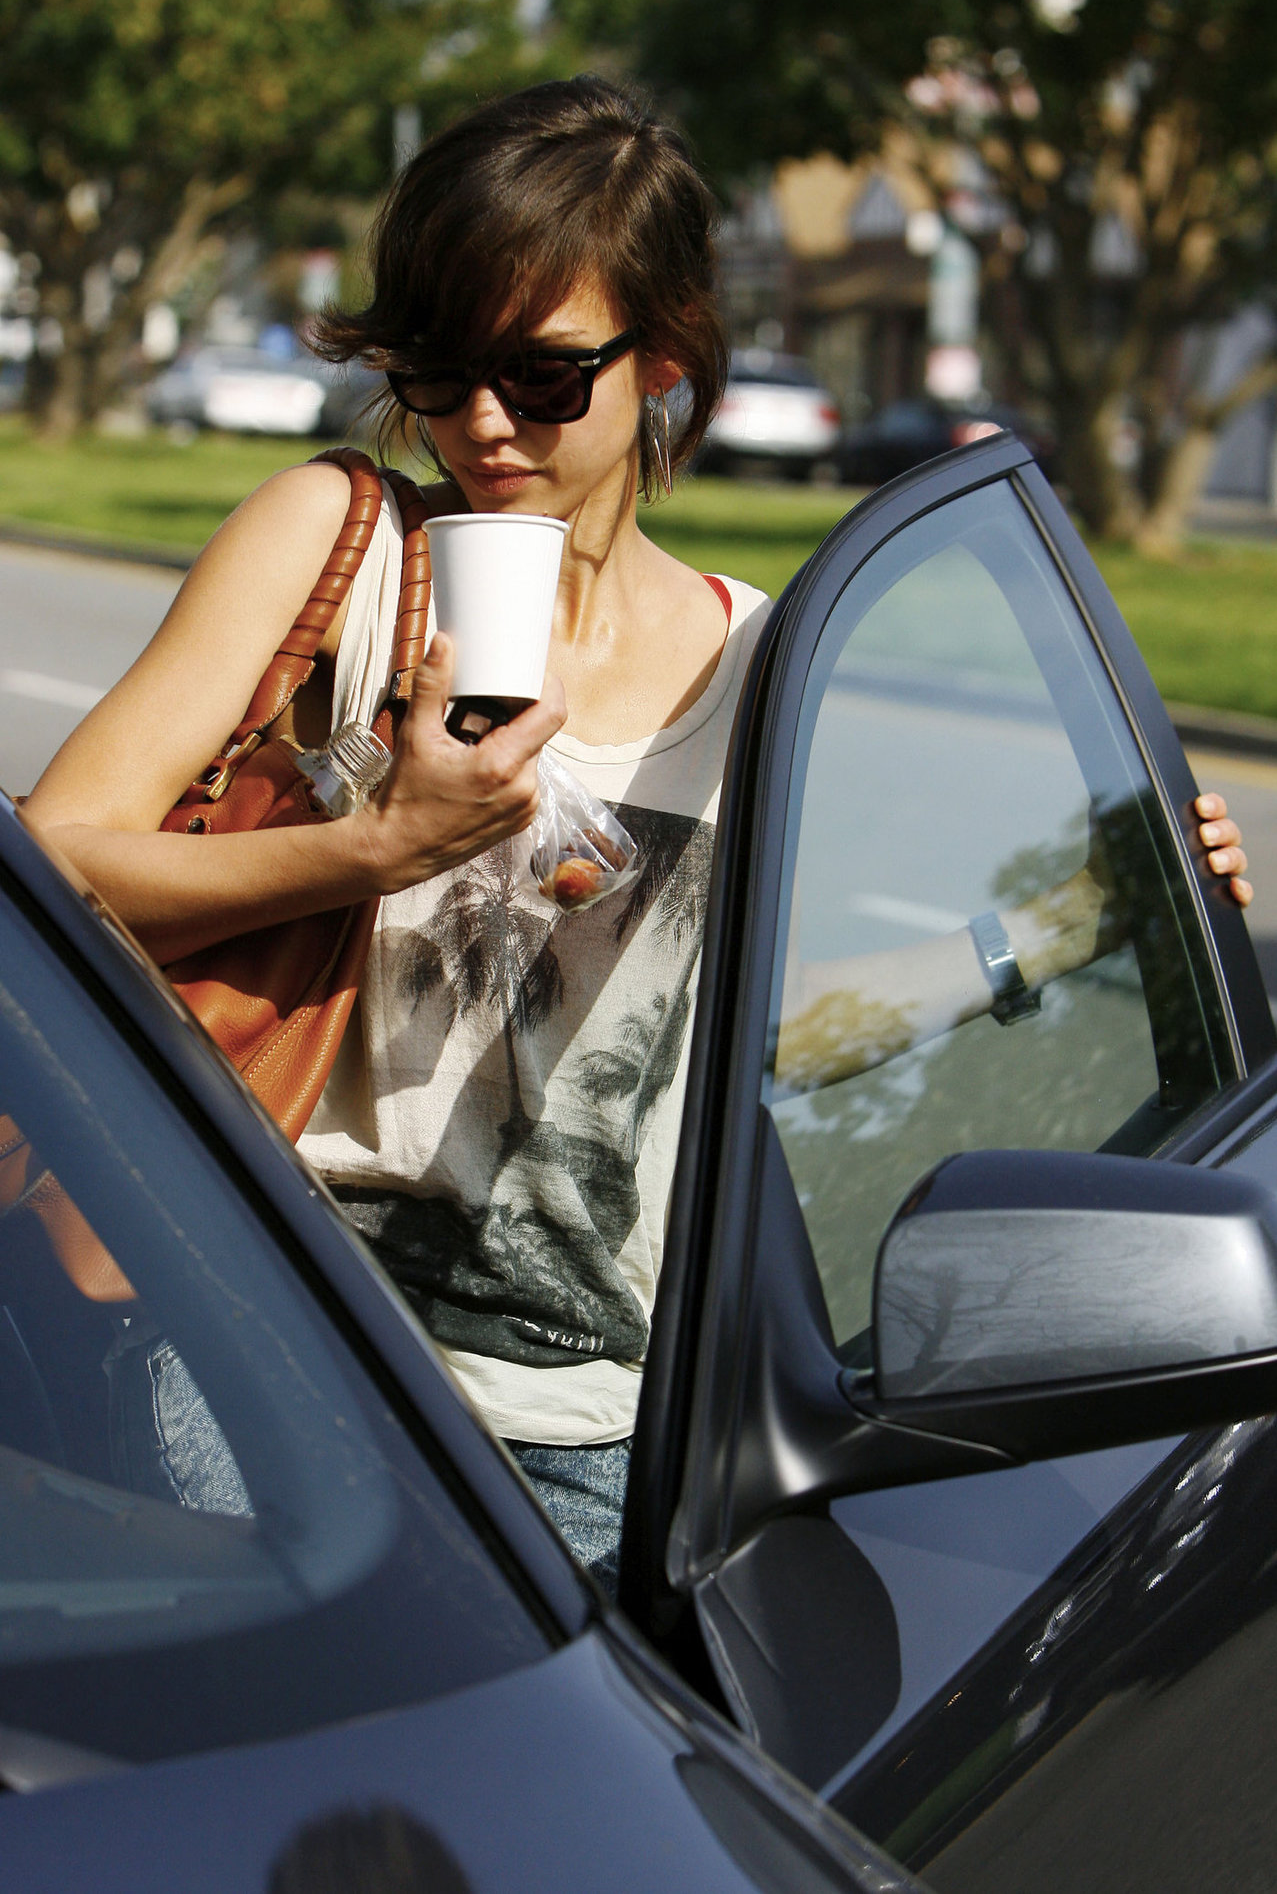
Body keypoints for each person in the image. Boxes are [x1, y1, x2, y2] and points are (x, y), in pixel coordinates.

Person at [23, 77, 1250, 1593]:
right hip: (286, 1350)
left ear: (660, 353)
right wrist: (369, 847)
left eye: (541, 377)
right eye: (435, 367)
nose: (479, 423)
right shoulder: (337, 549)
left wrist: (1070, 926)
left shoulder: (755, 669)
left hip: (604, 1423)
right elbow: (54, 864)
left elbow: (744, 1041)